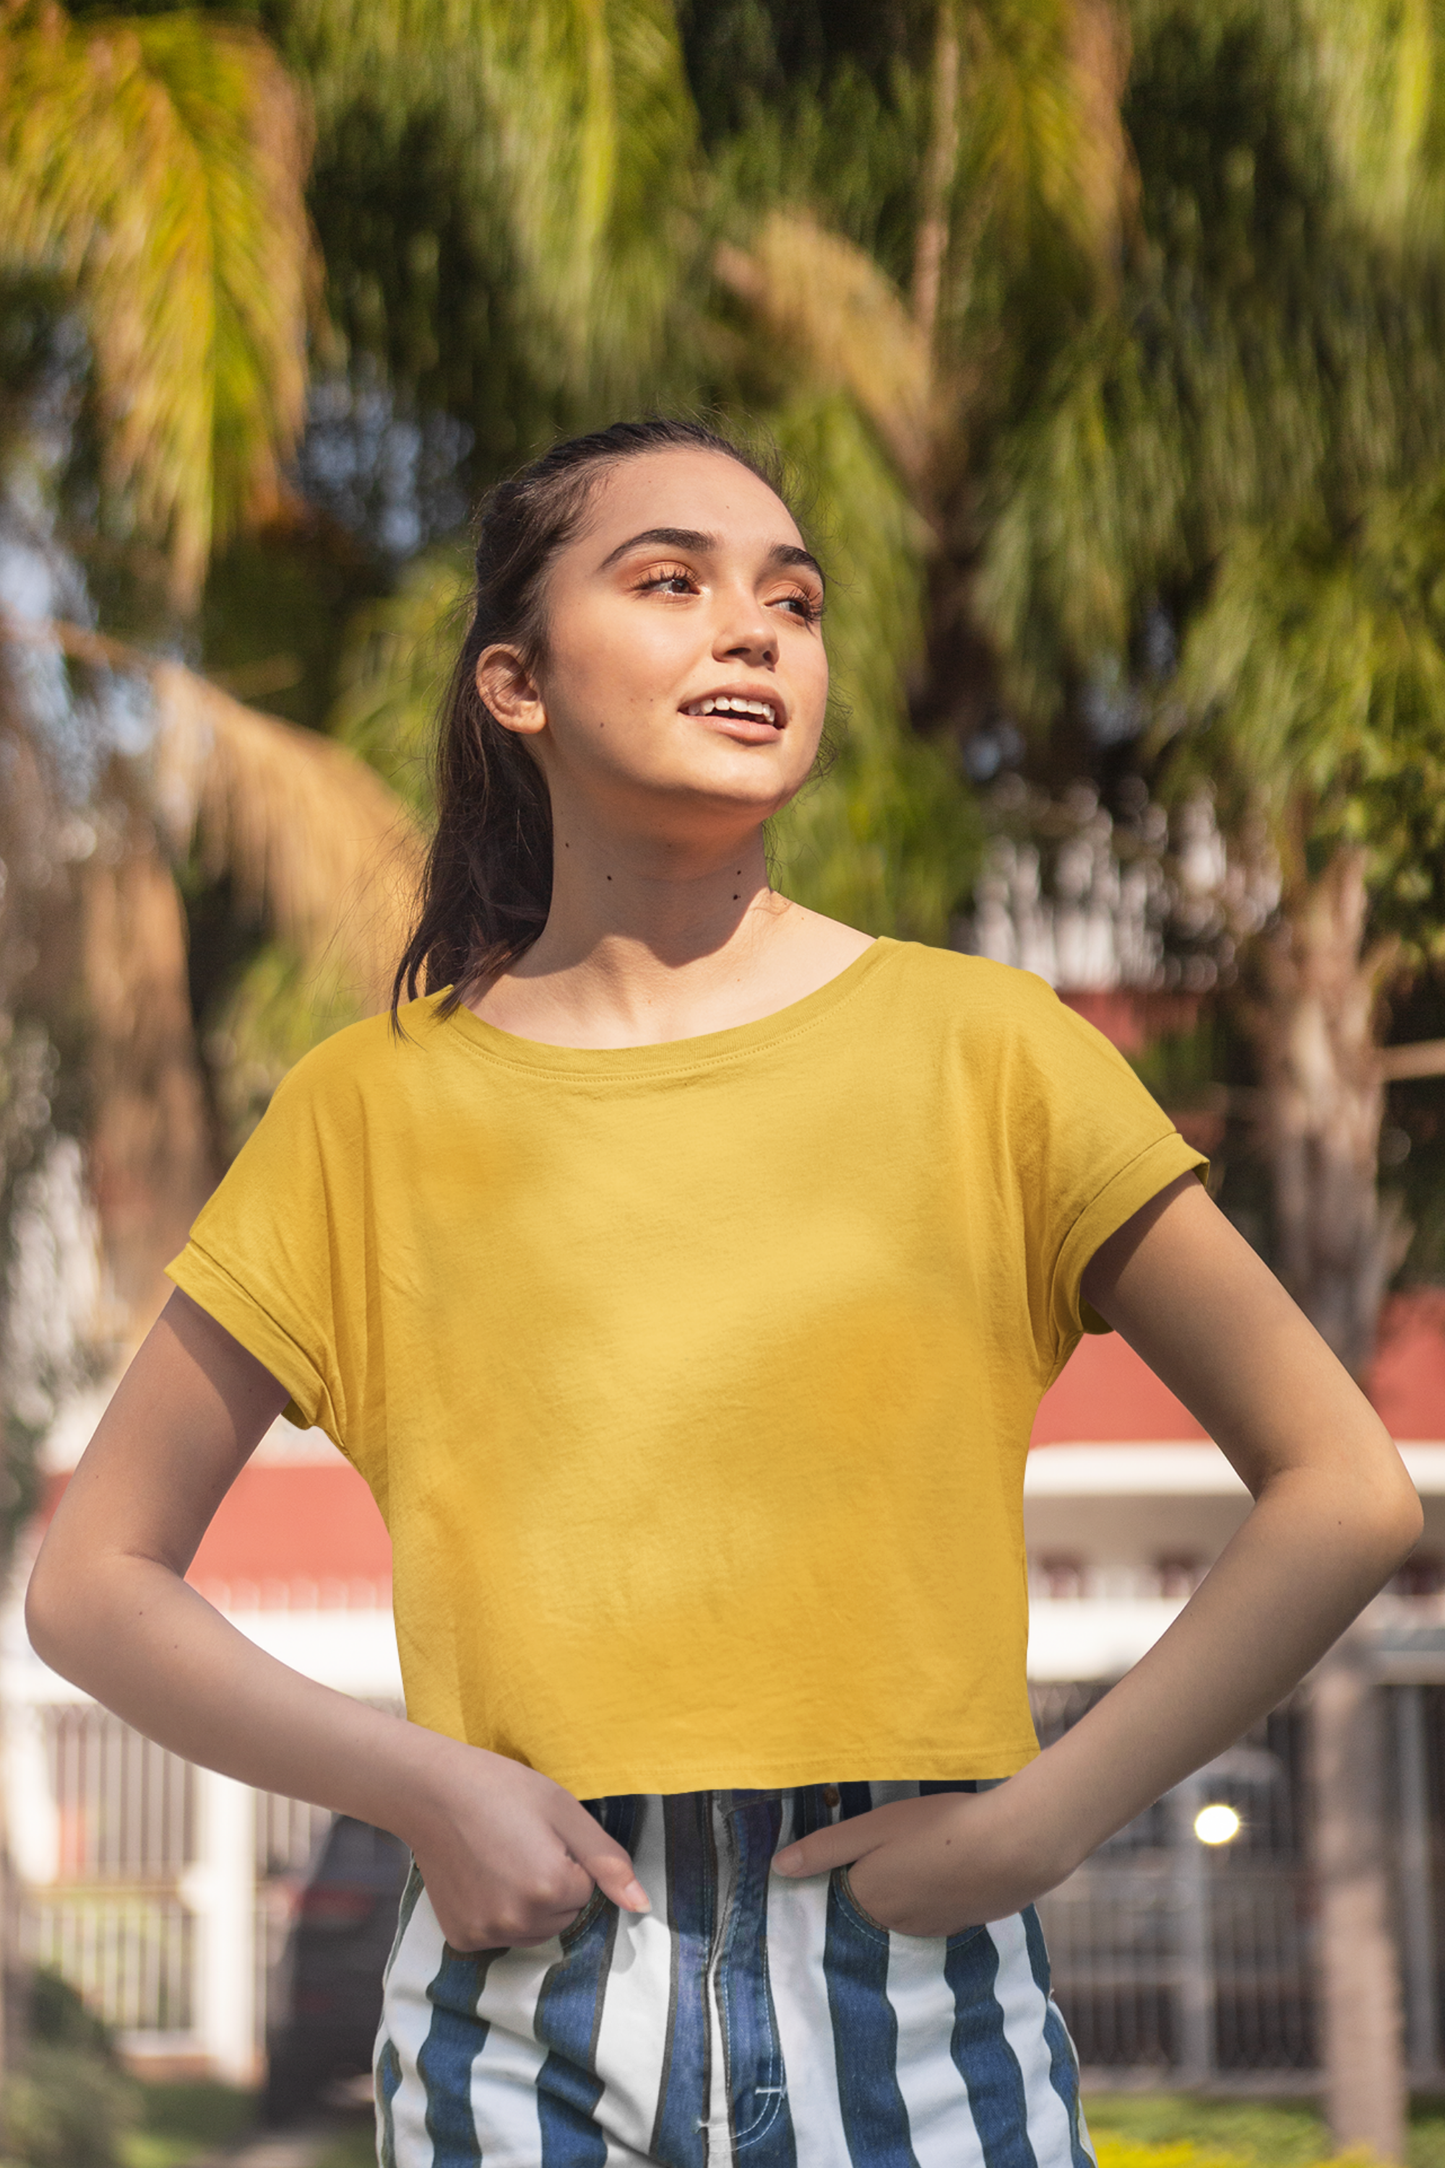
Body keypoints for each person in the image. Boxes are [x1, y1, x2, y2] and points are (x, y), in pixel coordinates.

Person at [27, 418, 1421, 2167]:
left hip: (921, 1993)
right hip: (516, 1996)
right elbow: (92, 1583)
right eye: (670, 582)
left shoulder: (991, 1053)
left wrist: (1039, 1826)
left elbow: (1346, 1488)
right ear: (517, 683)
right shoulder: (363, 1112)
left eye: (795, 600)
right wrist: (420, 1784)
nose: (753, 629)